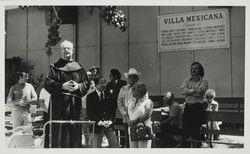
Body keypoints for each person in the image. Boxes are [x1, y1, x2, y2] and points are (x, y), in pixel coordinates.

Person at [44, 40, 89, 148]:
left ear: (72, 50)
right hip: (58, 107)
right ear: (61, 51)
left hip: (74, 107)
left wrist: (79, 86)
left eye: (68, 48)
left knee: (73, 133)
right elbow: (47, 84)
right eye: (64, 48)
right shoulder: (54, 67)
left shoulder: (79, 67)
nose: (66, 50)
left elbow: (86, 83)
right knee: (58, 134)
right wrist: (61, 86)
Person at [181, 61, 208, 148]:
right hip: (188, 107)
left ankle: (196, 148)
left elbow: (201, 92)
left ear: (200, 70)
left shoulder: (204, 82)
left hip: (197, 108)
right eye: (192, 68)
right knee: (185, 131)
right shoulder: (186, 80)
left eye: (195, 68)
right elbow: (183, 91)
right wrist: (194, 90)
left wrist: (189, 91)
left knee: (195, 131)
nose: (193, 70)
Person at [86, 76, 119, 148]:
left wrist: (111, 121)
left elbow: (113, 110)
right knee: (96, 147)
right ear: (96, 84)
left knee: (115, 145)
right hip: (97, 125)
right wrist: (99, 122)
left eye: (105, 83)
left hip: (108, 125)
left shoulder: (109, 95)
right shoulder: (90, 96)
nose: (104, 84)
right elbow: (89, 112)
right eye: (101, 83)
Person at [117, 68, 142, 147]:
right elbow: (119, 103)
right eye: (129, 77)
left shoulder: (140, 88)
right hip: (126, 118)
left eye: (133, 77)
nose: (130, 79)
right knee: (128, 140)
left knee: (137, 141)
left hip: (137, 119)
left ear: (136, 78)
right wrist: (125, 115)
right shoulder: (123, 89)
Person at [127, 82, 153, 148]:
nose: (132, 91)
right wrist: (128, 120)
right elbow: (127, 113)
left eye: (134, 89)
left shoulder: (148, 102)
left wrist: (134, 121)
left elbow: (147, 115)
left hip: (143, 130)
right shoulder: (130, 102)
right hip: (132, 130)